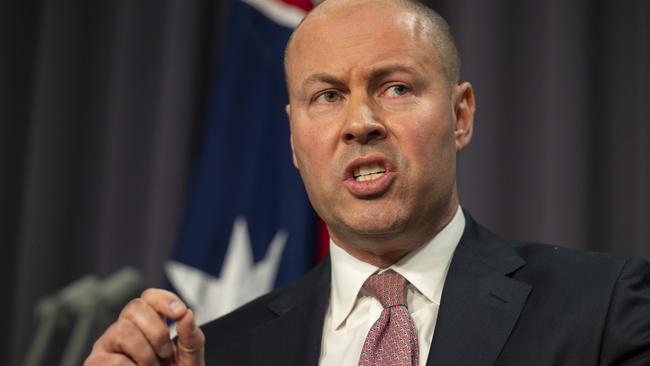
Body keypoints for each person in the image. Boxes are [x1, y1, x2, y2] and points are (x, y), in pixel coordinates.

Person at [84, 0, 650, 365]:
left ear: (460, 116)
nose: (360, 123)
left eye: (396, 88)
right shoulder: (224, 351)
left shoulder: (604, 307)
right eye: (327, 97)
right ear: (293, 138)